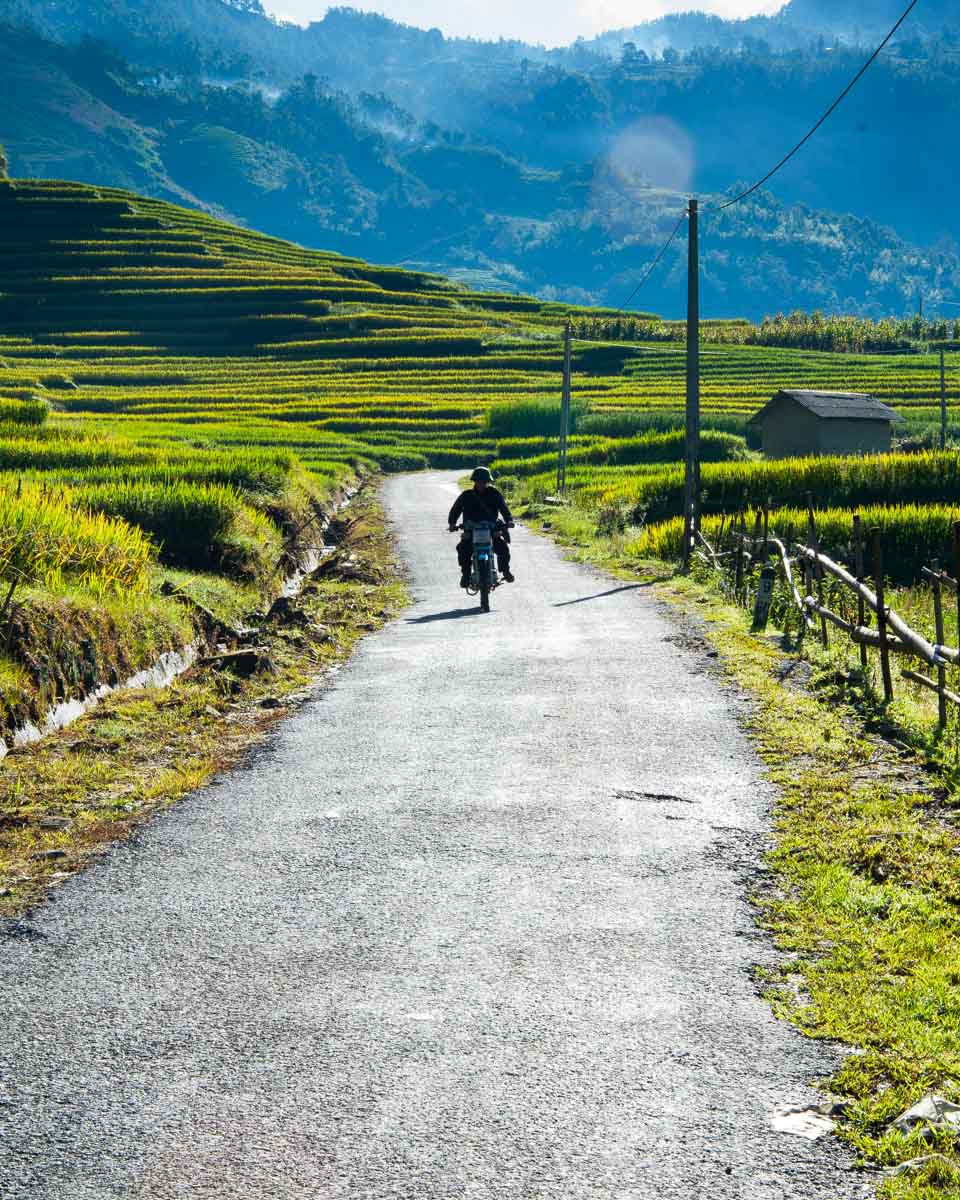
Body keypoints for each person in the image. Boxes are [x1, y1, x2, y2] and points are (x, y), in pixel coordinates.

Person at [448, 466, 515, 588]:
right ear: (474, 481)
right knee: (463, 549)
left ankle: (505, 570)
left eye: (484, 482)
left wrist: (509, 520)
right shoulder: (466, 495)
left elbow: (504, 508)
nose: (481, 484)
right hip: (471, 530)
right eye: (479, 481)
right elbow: (455, 509)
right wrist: (452, 523)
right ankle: (466, 575)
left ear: (487, 482)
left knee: (503, 549)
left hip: (491, 529)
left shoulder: (494, 494)